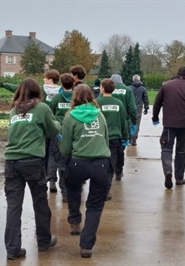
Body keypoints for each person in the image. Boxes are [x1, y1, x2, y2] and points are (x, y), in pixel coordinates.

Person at [4, 78, 60, 260]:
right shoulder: (42, 108)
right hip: (32, 162)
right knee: (40, 202)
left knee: (14, 206)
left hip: (11, 161)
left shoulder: (14, 110)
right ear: (38, 92)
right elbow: (52, 131)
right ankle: (44, 241)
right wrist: (58, 124)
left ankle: (13, 249)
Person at [59, 84, 111, 258]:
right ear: (92, 96)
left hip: (78, 163)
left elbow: (65, 147)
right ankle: (86, 245)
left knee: (73, 190)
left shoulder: (69, 117)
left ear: (75, 97)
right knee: (95, 205)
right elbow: (106, 139)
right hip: (101, 163)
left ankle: (74, 221)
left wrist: (65, 159)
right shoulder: (100, 114)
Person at [152, 66, 185, 189]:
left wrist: (155, 117)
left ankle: (168, 171)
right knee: (181, 150)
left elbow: (157, 103)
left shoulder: (166, 86)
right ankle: (179, 178)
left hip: (169, 124)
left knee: (166, 149)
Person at [96, 78, 128, 200]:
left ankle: (97, 189)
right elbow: (123, 122)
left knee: (99, 164)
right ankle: (106, 191)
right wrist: (125, 137)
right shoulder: (118, 103)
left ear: (102, 88)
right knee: (110, 166)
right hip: (114, 138)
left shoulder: (96, 102)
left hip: (99, 138)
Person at [49, 73, 74, 201]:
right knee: (70, 160)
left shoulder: (57, 98)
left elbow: (51, 114)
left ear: (61, 84)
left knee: (56, 158)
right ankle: (69, 189)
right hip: (73, 132)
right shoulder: (76, 97)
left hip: (58, 132)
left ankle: (54, 182)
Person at [110, 74, 137, 180]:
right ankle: (118, 170)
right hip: (123, 123)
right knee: (121, 149)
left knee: (109, 148)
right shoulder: (127, 90)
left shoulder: (108, 88)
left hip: (109, 123)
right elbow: (132, 108)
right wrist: (134, 122)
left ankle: (110, 169)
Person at [130, 74, 149, 146]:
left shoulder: (129, 88)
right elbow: (145, 99)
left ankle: (129, 138)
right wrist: (146, 108)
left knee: (129, 124)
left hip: (130, 109)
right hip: (138, 109)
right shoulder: (143, 89)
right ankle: (134, 139)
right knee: (136, 124)